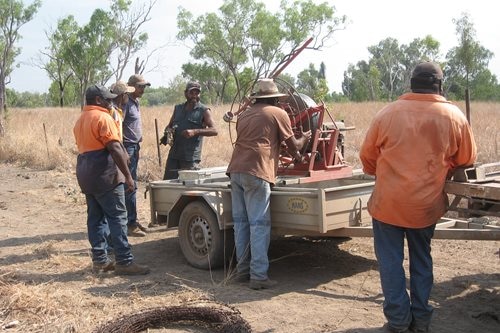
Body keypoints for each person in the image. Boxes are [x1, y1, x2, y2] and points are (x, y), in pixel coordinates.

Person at [359, 62, 477, 333]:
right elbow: (466, 159)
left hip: (388, 205)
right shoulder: (454, 116)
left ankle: (399, 322)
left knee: (390, 262)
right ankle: (421, 321)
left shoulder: (387, 114)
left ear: (411, 83)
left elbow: (367, 159)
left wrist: (387, 173)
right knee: (421, 259)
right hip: (425, 206)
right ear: (440, 86)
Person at [226, 78, 311, 290]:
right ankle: (258, 276)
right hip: (257, 172)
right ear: (275, 98)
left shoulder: (244, 115)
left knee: (241, 223)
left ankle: (242, 272)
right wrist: (306, 138)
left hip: (235, 170)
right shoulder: (278, 113)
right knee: (259, 225)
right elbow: (294, 147)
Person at [73, 84, 150, 276]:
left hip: (86, 174)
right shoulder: (103, 117)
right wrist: (129, 176)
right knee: (118, 217)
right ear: (98, 100)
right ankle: (124, 260)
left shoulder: (81, 119)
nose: (110, 101)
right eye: (107, 98)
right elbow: (115, 148)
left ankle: (99, 260)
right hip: (104, 174)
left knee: (96, 218)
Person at [160, 81, 218, 180]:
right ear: (185, 93)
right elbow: (169, 126)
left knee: (189, 186)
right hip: (174, 155)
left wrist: (195, 132)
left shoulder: (203, 110)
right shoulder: (178, 108)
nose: (194, 95)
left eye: (197, 93)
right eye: (192, 93)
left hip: (190, 158)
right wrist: (167, 133)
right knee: (168, 185)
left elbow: (214, 130)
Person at [122, 74, 151, 237]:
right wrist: (123, 149)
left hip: (134, 146)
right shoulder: (125, 102)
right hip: (127, 147)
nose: (143, 90)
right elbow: (119, 125)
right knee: (130, 185)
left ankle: (132, 220)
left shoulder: (136, 102)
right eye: (140, 87)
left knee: (132, 185)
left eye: (144, 87)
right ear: (132, 86)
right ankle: (130, 224)